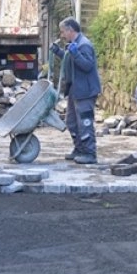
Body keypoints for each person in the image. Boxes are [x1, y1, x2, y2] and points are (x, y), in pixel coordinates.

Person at [50, 17, 101, 164]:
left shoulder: (84, 45)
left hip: (85, 91)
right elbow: (70, 60)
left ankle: (90, 153)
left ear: (70, 30)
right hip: (75, 90)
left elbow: (87, 66)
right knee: (71, 121)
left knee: (85, 122)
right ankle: (79, 149)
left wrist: (76, 53)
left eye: (62, 32)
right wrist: (58, 52)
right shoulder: (74, 44)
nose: (62, 35)